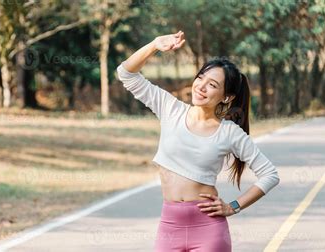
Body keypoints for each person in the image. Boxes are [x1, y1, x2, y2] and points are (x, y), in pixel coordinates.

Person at [116, 31, 280, 252]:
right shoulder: (170, 108)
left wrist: (233, 206)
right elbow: (126, 73)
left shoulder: (229, 132)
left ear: (227, 97)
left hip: (208, 229)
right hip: (169, 225)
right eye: (200, 77)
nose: (201, 87)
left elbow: (270, 174)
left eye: (212, 84)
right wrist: (155, 45)